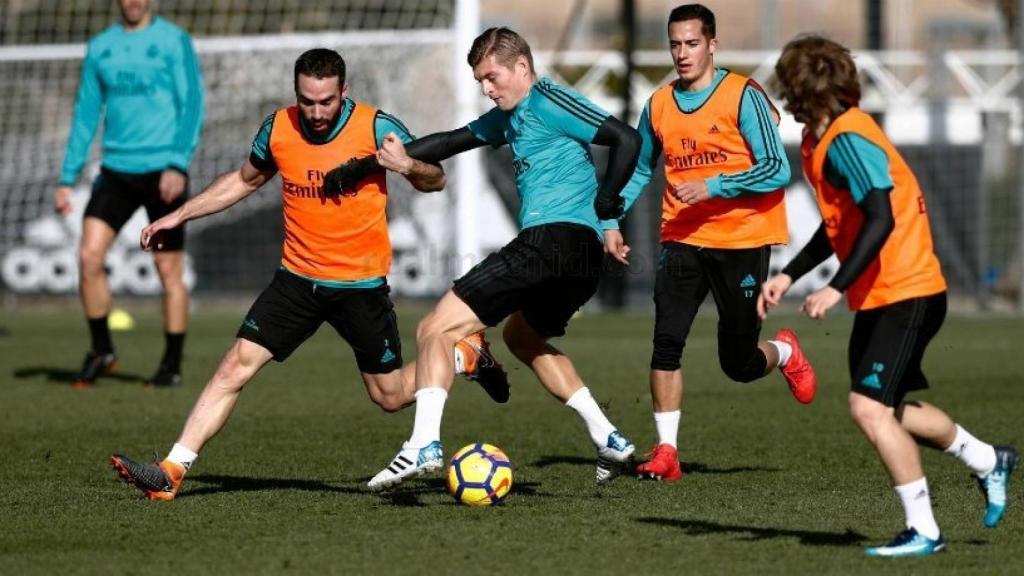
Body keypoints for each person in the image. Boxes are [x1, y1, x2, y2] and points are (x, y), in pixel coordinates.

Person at [108, 48, 508, 501]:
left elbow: (435, 178)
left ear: (344, 92)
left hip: (360, 287)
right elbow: (244, 180)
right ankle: (171, 471)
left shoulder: (376, 126)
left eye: (326, 102)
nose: (316, 112)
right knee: (233, 368)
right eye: (307, 101)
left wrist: (409, 166)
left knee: (390, 397)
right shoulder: (278, 127)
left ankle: (463, 356)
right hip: (295, 282)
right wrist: (179, 215)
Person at [326, 27, 642, 488]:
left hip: (553, 243)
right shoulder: (508, 118)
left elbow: (626, 139)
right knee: (521, 338)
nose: (486, 89)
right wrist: (366, 166)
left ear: (522, 67)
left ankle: (423, 444)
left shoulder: (547, 98)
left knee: (435, 327)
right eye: (480, 82)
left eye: (491, 77)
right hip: (578, 262)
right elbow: (449, 142)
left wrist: (609, 204)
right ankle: (608, 437)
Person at [764, 34, 1018, 557]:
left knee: (868, 409)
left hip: (909, 291)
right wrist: (790, 275)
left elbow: (881, 215)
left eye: (786, 85)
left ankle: (924, 529)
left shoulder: (849, 138)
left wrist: (833, 288)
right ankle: (990, 460)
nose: (782, 96)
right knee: (889, 410)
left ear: (801, 90)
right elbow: (841, 224)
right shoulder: (822, 139)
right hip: (883, 294)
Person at [602, 4, 816, 483]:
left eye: (691, 43)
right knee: (666, 342)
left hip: (743, 240)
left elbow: (777, 169)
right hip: (681, 238)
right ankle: (666, 452)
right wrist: (610, 219)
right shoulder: (658, 104)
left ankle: (783, 353)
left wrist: (717, 185)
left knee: (737, 364)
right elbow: (640, 168)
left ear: (712, 44)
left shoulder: (743, 95)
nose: (682, 53)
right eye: (675, 44)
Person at [55, 0, 204, 388]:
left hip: (164, 173)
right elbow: (86, 112)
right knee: (88, 255)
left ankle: (170, 366)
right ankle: (102, 350)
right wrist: (67, 178)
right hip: (116, 170)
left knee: (167, 270)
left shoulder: (174, 41)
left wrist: (178, 163)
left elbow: (192, 104)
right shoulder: (101, 45)